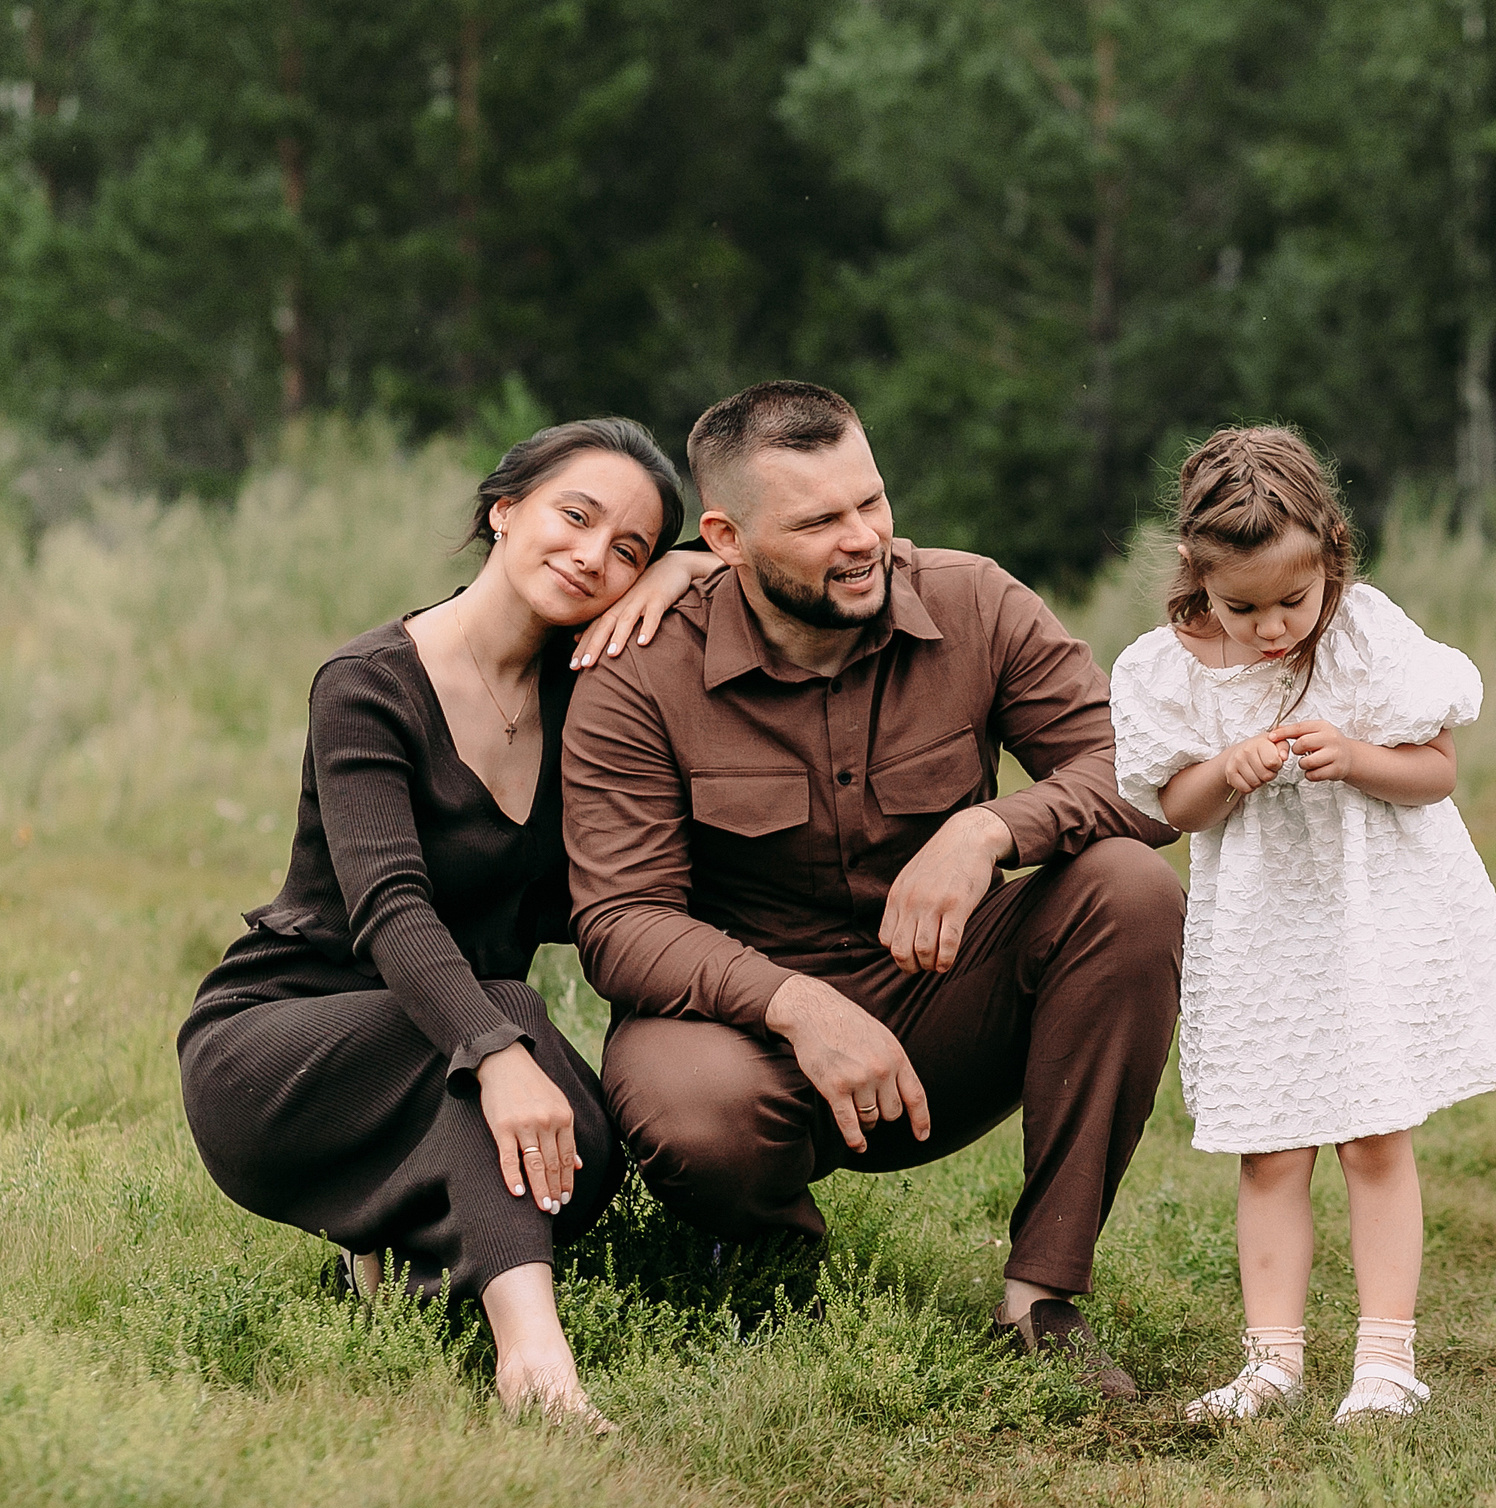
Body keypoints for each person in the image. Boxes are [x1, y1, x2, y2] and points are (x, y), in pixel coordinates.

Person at [562, 380, 1183, 1400]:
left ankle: (1040, 1297)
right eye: (817, 521)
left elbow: (1142, 772)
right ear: (724, 536)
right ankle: (768, 1258)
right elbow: (621, 921)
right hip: (747, 1036)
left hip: (944, 1005)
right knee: (690, 1102)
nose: (864, 540)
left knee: (1130, 888)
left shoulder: (974, 598)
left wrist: (989, 827)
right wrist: (794, 1003)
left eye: (872, 501)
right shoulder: (637, 676)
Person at [178, 418, 720, 1427]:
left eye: (628, 549)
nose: (593, 555)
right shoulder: (368, 684)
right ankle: (534, 1364)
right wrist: (496, 1048)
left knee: (587, 1145)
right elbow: (390, 906)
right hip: (282, 1042)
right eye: (575, 514)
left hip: (450, 1034)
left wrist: (674, 575)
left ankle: (401, 1244)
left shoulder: (588, 691)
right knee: (507, 1049)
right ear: (502, 508)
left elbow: (759, 562)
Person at [1110, 425, 1496, 1424]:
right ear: (1196, 575)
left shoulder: (1364, 634)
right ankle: (1271, 1361)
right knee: (1269, 1144)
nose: (1272, 628)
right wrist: (1223, 772)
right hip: (1261, 932)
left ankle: (1385, 1360)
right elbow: (1170, 808)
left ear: (1330, 555)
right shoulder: (1162, 668)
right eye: (1244, 606)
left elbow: (1435, 769)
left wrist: (1354, 754)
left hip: (1367, 919)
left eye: (1291, 601)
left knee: (1370, 1132)